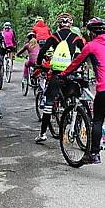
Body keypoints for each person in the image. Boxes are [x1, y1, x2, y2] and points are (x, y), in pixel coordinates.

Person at [59, 17, 105, 164]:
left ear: (91, 32)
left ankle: (94, 154)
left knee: (97, 120)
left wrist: (63, 74)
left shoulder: (91, 46)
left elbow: (76, 63)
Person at [34, 13, 85, 143]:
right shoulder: (75, 37)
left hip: (57, 72)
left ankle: (43, 133)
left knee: (49, 102)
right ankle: (79, 125)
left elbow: (42, 51)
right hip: (72, 71)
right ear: (71, 25)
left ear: (59, 24)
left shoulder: (54, 36)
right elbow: (84, 51)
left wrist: (39, 64)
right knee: (77, 98)